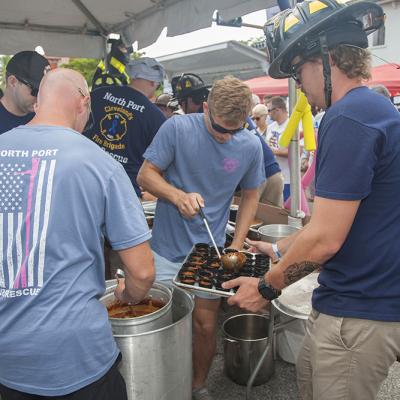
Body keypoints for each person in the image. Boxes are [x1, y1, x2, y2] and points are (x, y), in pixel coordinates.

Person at [224, 1, 400, 399]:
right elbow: (349, 221)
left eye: (299, 68)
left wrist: (265, 288)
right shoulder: (371, 109)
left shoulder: (349, 116)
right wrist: (277, 247)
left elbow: (324, 240)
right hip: (347, 301)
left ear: (328, 58)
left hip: (357, 312)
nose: (297, 84)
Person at [0, 68, 155, 400]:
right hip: (78, 357)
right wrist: (129, 296)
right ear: (84, 102)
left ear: (38, 101)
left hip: (8, 360)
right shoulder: (100, 164)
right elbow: (142, 272)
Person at [137, 76, 265, 400]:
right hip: (166, 248)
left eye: (234, 131)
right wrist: (177, 196)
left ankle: (198, 385)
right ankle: (163, 383)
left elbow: (251, 195)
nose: (226, 137)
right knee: (161, 320)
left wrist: (236, 245)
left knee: (205, 325)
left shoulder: (249, 144)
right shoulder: (178, 130)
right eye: (220, 128)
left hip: (210, 249)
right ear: (205, 108)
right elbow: (146, 175)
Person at [84, 57, 166, 198]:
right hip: (123, 191)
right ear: (153, 82)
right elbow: (158, 164)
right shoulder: (155, 117)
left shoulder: (98, 95)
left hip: (85, 178)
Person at [0, 50, 50, 134]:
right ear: (12, 82)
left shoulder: (46, 119)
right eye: (35, 90)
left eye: (44, 91)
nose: (39, 97)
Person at [265, 96, 290, 200]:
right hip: (273, 177)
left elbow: (294, 152)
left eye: (269, 110)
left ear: (277, 110)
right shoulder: (270, 127)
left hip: (289, 178)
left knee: (287, 211)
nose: (268, 113)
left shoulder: (292, 125)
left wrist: (271, 151)